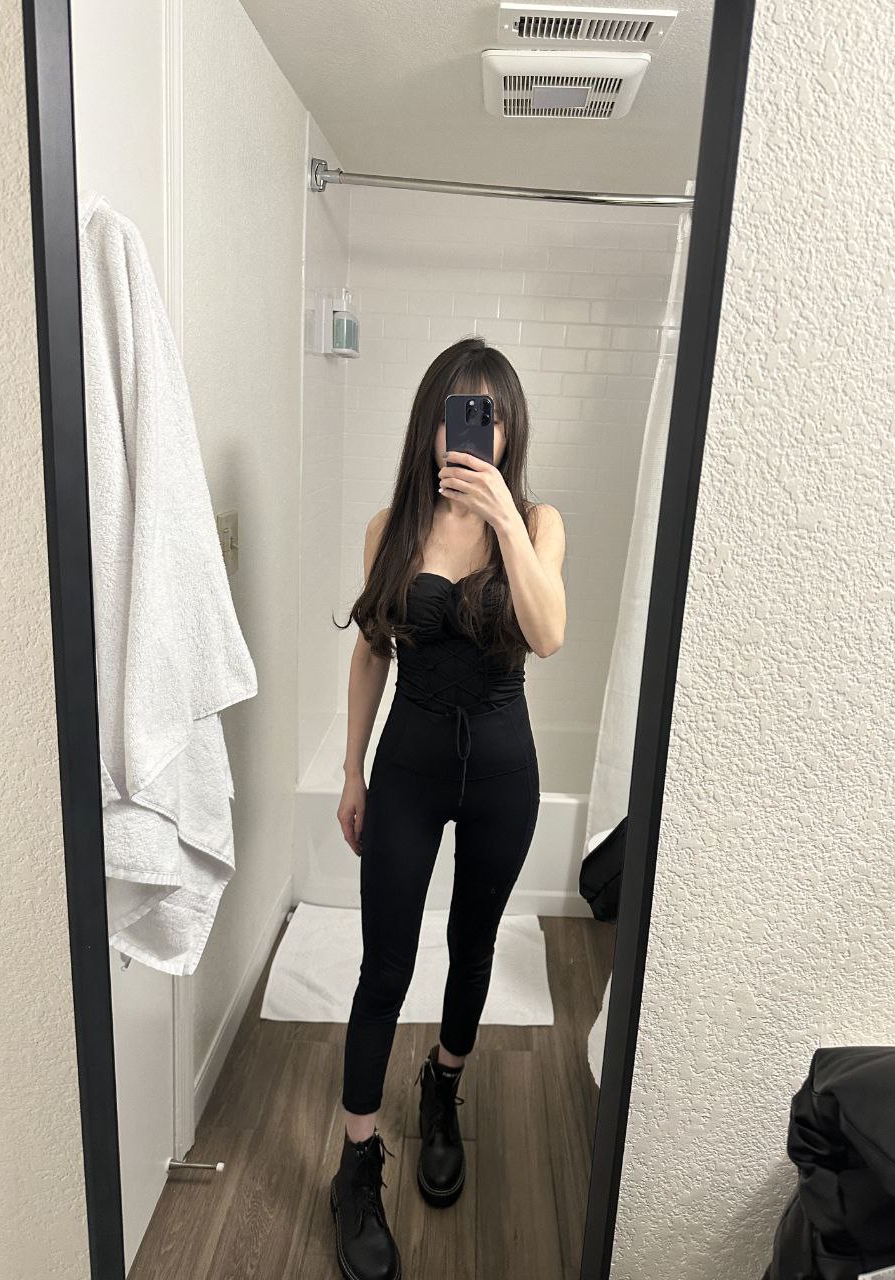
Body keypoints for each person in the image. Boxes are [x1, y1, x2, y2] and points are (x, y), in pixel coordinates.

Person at [329, 335, 566, 1280]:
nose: (472, 430)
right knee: (384, 964)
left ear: (508, 430)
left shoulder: (539, 522)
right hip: (409, 770)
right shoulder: (391, 527)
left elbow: (548, 634)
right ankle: (355, 1164)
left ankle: (443, 1087)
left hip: (504, 773)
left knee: (474, 944)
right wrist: (351, 771)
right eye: (456, 411)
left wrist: (506, 520)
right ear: (431, 424)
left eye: (488, 414)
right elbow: (370, 653)